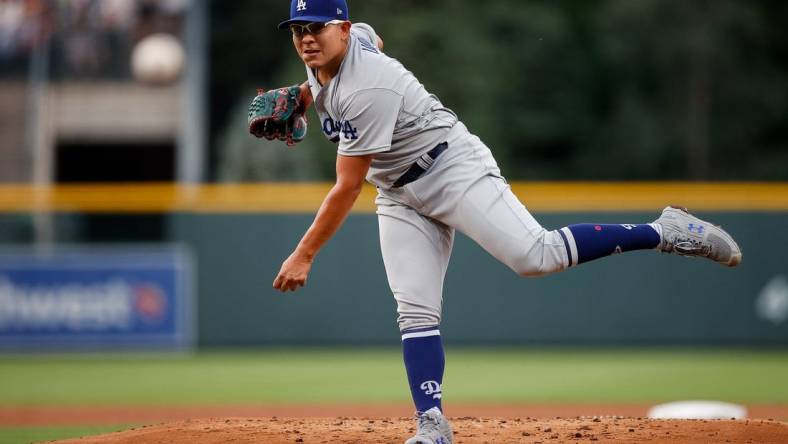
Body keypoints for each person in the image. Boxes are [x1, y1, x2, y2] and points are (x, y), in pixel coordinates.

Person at [268, 1, 742, 443]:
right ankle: (432, 424)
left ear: (343, 31)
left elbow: (347, 186)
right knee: (414, 309)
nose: (307, 39)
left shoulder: (366, 85)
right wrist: (306, 96)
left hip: (450, 168)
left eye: (318, 28)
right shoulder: (337, 52)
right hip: (397, 191)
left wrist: (304, 253)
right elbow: (372, 37)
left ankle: (664, 231)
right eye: (298, 30)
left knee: (536, 256)